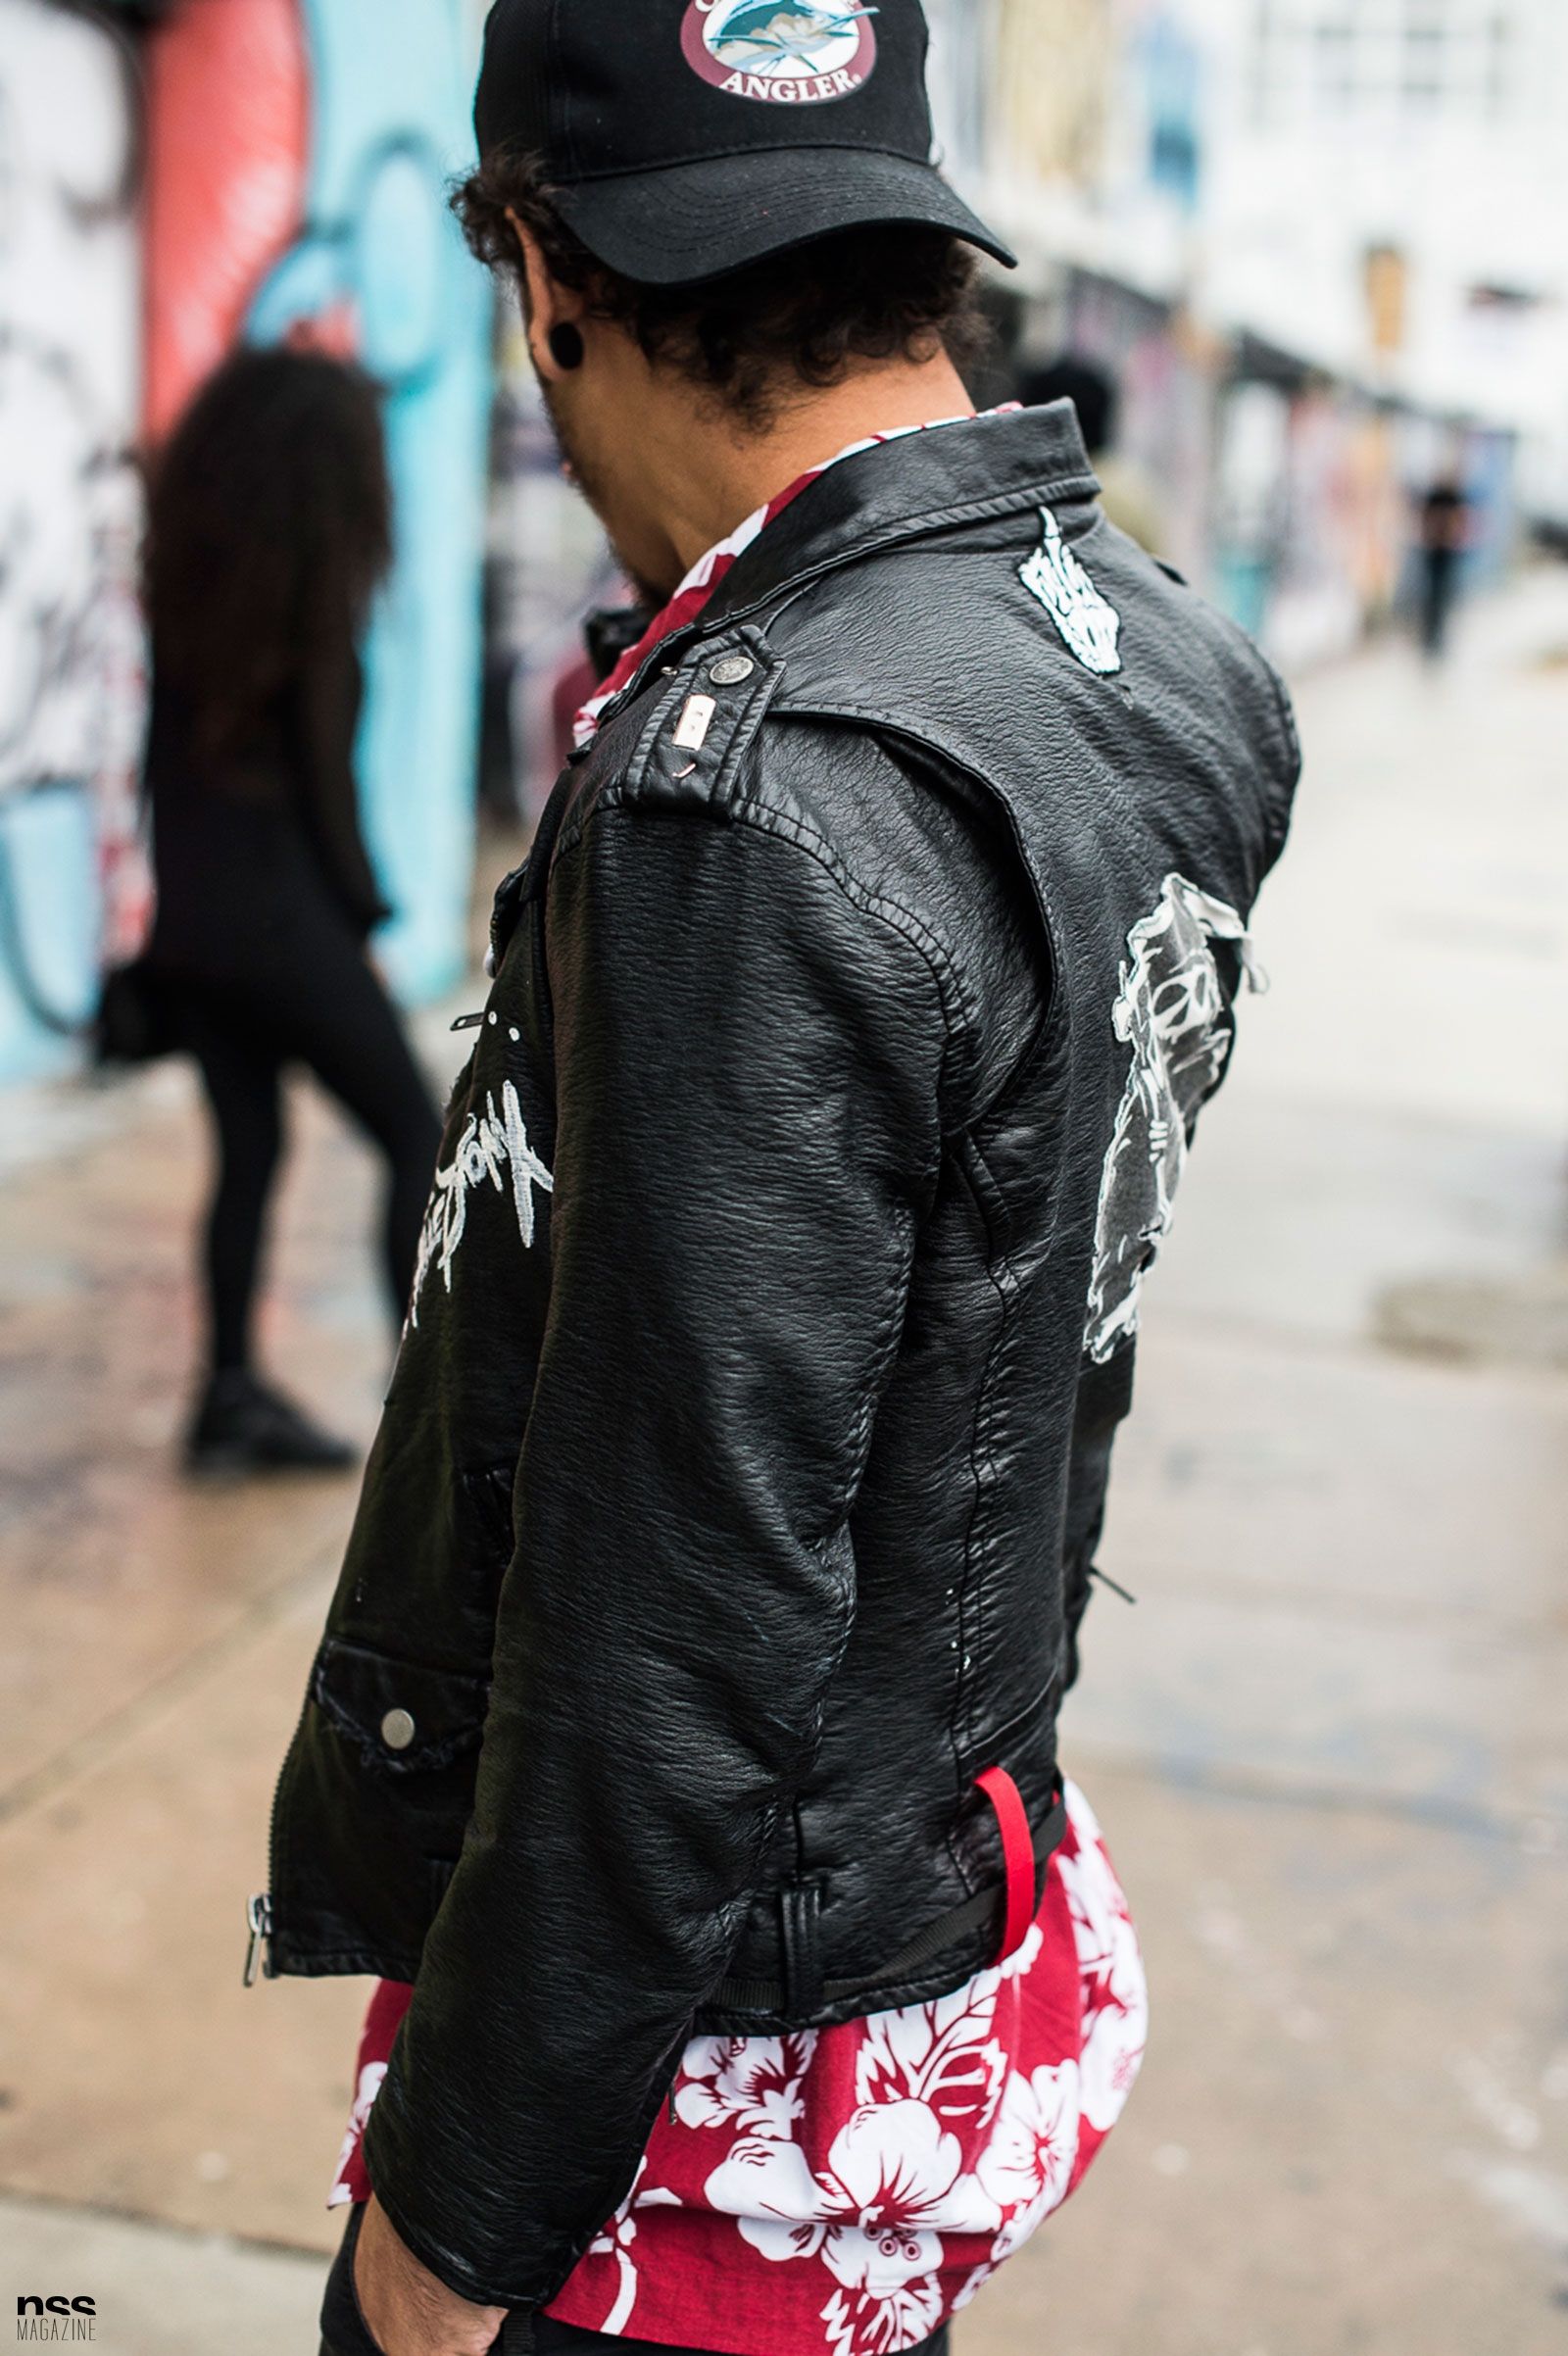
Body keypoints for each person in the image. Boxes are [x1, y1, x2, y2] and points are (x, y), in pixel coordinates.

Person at [254, 7, 1301, 2352]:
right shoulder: (1154, 658)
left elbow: (670, 1621)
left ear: (545, 273)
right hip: (934, 1917)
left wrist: (453, 2225)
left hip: (689, 2114)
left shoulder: (748, 790)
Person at [142, 347, 442, 1475]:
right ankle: (429, 1416)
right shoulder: (312, 608)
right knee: (416, 1135)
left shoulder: (188, 595)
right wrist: (364, 918)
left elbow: (161, 777)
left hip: (200, 928)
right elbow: (327, 789)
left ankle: (227, 1397)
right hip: (282, 919)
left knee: (251, 1150)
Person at [1415, 469, 1470, 661]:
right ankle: (1430, 637)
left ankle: (1439, 638)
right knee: (1432, 597)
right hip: (1434, 553)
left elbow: (1461, 521)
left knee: (1444, 597)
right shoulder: (1436, 497)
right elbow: (1426, 519)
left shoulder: (1453, 497)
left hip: (1447, 554)